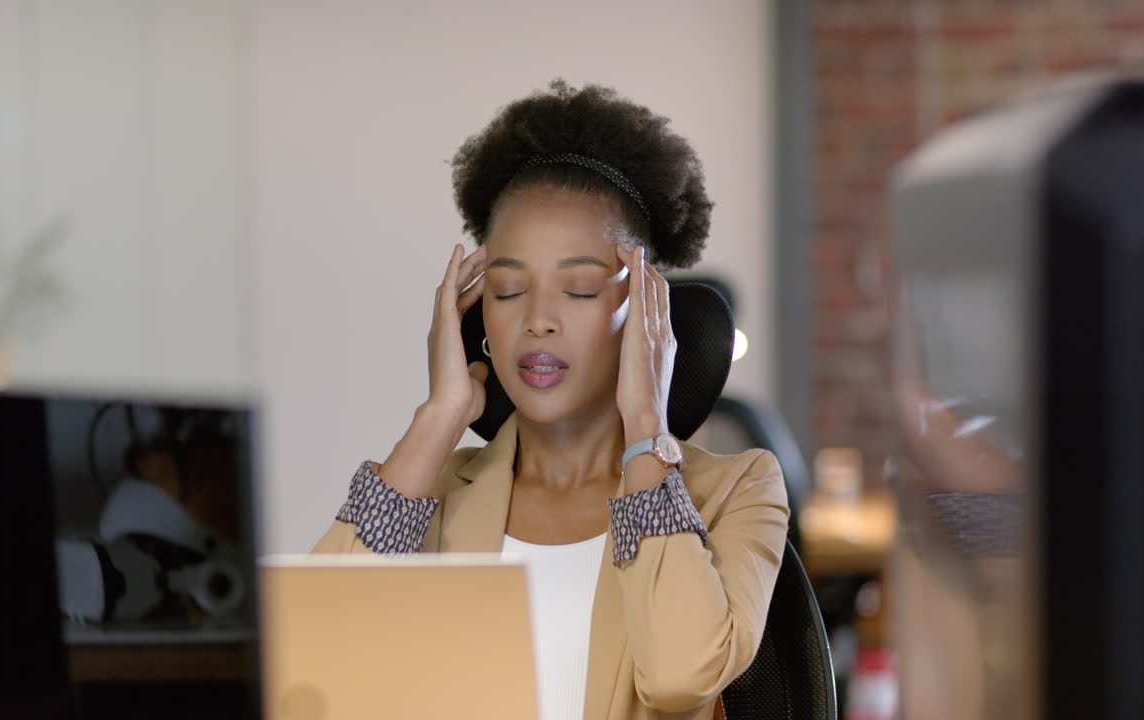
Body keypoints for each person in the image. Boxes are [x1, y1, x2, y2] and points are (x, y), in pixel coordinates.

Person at [313, 80, 789, 720]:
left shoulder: (738, 489)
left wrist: (647, 424)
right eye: (508, 291)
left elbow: (679, 677)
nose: (538, 320)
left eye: (581, 290)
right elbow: (316, 666)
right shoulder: (429, 491)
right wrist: (438, 417)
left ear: (645, 309)